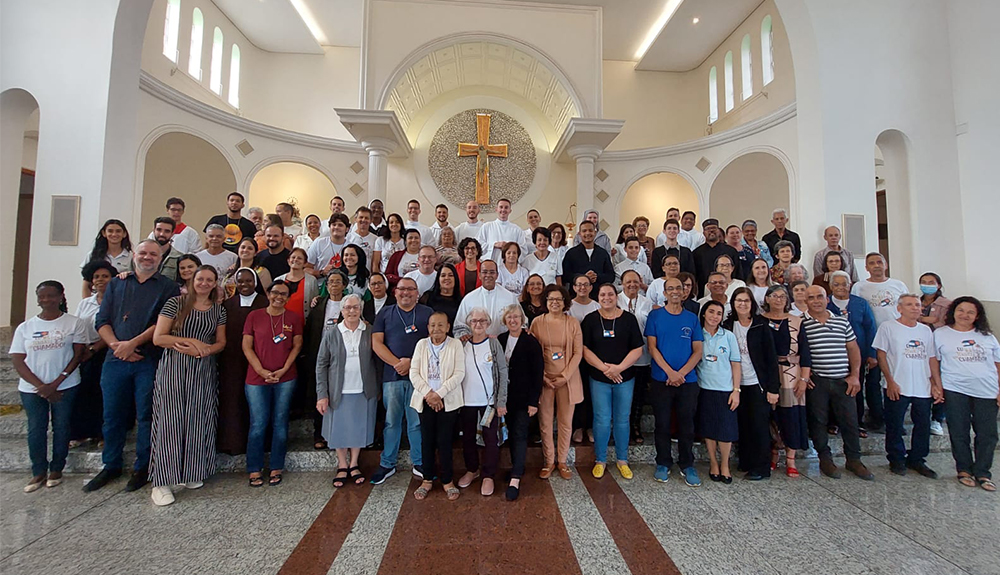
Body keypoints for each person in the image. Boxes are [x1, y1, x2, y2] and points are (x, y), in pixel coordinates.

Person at [84, 241, 181, 493]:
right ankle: (111, 465)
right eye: (143, 253)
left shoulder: (168, 287)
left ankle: (143, 467)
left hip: (147, 359)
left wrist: (134, 344)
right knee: (112, 415)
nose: (147, 257)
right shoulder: (117, 283)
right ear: (133, 256)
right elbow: (102, 320)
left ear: (160, 258)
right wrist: (117, 346)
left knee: (146, 414)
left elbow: (163, 322)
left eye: (153, 254)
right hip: (115, 359)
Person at [148, 265, 227, 506]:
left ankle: (191, 471)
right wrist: (190, 341)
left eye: (209, 280)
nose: (204, 283)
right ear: (192, 280)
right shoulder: (176, 303)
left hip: (202, 368)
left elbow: (221, 342)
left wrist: (205, 350)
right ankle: (161, 482)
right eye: (200, 279)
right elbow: (159, 337)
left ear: (215, 283)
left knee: (197, 417)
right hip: (175, 367)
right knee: (170, 421)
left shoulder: (218, 310)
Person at [11, 281, 87, 492]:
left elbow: (78, 354)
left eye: (51, 296)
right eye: (42, 296)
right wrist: (41, 386)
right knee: (36, 428)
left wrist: (56, 383)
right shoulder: (26, 327)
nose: (46, 300)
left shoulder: (73, 323)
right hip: (32, 389)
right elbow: (18, 360)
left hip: (66, 385)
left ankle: (56, 468)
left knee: (62, 426)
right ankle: (38, 471)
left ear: (61, 296)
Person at [801, 285, 874, 480]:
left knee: (849, 421)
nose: (816, 300)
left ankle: (854, 460)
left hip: (843, 380)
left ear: (827, 299)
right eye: (811, 297)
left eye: (820, 296)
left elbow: (853, 349)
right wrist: (804, 376)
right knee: (818, 421)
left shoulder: (842, 322)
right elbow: (798, 352)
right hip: (817, 382)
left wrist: (855, 375)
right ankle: (825, 459)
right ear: (805, 301)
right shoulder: (801, 324)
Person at [933, 297, 1000, 491]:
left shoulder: (986, 336)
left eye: (970, 312)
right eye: (961, 310)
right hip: (955, 389)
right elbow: (934, 362)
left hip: (986, 390)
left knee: (987, 434)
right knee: (959, 431)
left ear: (977, 316)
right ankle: (963, 469)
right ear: (953, 311)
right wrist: (937, 385)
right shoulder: (941, 334)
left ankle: (983, 472)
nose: (965, 315)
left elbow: (997, 364)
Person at [242, 280, 304, 487]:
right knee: (258, 424)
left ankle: (277, 466)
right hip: (256, 379)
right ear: (268, 294)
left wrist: (283, 369)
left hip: (285, 378)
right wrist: (261, 370)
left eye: (284, 294)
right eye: (275, 292)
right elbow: (247, 346)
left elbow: (297, 346)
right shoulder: (254, 316)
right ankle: (254, 467)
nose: (279, 297)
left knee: (280, 423)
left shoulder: (293, 318)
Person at [371, 277, 432, 484]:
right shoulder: (385, 313)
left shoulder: (426, 313)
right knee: (391, 422)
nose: (406, 293)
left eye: (411, 289)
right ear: (395, 292)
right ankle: (387, 464)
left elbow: (435, 344)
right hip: (392, 377)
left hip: (420, 378)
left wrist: (412, 363)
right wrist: (398, 363)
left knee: (416, 422)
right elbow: (377, 343)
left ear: (417, 293)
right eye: (402, 289)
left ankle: (420, 462)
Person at [874, 293, 941, 478]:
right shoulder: (888, 327)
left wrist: (936, 383)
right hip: (897, 383)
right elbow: (881, 355)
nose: (914, 308)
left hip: (922, 385)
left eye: (917, 305)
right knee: (895, 424)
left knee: (923, 424)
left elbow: (932, 358)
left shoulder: (925, 330)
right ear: (899, 308)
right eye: (910, 305)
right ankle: (896, 458)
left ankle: (917, 458)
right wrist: (890, 381)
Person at [582, 283, 644, 480]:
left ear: (616, 296)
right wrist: (605, 368)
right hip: (599, 378)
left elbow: (637, 349)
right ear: (597, 297)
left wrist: (618, 368)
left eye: (610, 294)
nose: (606, 297)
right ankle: (600, 460)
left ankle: (622, 460)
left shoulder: (628, 319)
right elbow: (584, 349)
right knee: (601, 419)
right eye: (602, 294)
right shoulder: (591, 319)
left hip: (624, 378)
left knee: (622, 419)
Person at [316, 294, 378, 488]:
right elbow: (321, 364)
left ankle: (354, 463)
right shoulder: (332, 332)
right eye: (348, 307)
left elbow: (376, 361)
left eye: (356, 307)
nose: (352, 311)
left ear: (361, 310)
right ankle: (342, 464)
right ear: (341, 311)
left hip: (363, 389)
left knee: (359, 428)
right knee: (339, 429)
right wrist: (322, 394)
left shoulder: (369, 331)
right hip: (337, 391)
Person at [645, 277, 703, 486]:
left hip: (687, 381)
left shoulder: (692, 318)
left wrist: (681, 374)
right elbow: (652, 348)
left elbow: (698, 351)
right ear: (665, 292)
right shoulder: (655, 316)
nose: (676, 292)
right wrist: (670, 373)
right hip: (662, 379)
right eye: (671, 289)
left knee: (687, 425)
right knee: (662, 423)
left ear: (684, 291)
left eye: (679, 288)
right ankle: (663, 462)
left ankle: (687, 464)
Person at [724, 288, 780, 480]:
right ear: (733, 303)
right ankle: (746, 461)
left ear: (752, 303)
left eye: (746, 301)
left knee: (759, 426)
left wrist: (773, 388)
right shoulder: (728, 325)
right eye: (739, 300)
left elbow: (771, 360)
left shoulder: (761, 326)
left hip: (757, 383)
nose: (742, 304)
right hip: (736, 384)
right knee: (743, 424)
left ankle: (762, 467)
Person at [408, 311, 464, 501]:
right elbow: (414, 373)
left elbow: (459, 373)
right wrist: (429, 394)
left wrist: (439, 394)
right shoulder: (421, 345)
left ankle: (448, 480)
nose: (436, 329)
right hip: (425, 401)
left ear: (448, 327)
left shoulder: (455, 344)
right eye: (432, 325)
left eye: (440, 325)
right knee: (427, 441)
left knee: (445, 441)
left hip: (447, 401)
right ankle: (427, 480)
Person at [530, 285, 583, 480]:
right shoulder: (537, 322)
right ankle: (548, 461)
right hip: (544, 380)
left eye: (558, 299)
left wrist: (564, 376)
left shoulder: (572, 323)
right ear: (545, 301)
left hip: (567, 380)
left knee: (565, 422)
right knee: (544, 422)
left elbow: (578, 352)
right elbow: (533, 353)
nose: (554, 302)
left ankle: (562, 461)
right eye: (551, 299)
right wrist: (543, 376)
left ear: (565, 302)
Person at [455, 308, 509, 497]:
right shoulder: (461, 345)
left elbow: (503, 372)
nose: (478, 324)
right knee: (468, 438)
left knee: (491, 439)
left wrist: (501, 401)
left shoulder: (494, 344)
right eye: (474, 321)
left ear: (488, 323)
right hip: (466, 401)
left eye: (482, 321)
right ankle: (472, 469)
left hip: (489, 403)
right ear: (469, 323)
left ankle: (488, 475)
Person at [760, 285, 810, 477]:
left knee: (791, 416)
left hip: (791, 373)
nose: (779, 299)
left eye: (782, 296)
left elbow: (805, 353)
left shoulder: (796, 321)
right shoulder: (760, 321)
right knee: (771, 417)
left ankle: (790, 458)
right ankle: (773, 454)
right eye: (774, 296)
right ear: (767, 299)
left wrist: (804, 378)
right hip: (767, 373)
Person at [497, 304, 544, 501]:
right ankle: (518, 467)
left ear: (522, 319)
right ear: (505, 320)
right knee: (510, 435)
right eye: (509, 317)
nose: (513, 320)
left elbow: (537, 373)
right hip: (504, 397)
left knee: (520, 434)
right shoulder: (500, 339)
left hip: (524, 399)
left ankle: (515, 478)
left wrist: (534, 401)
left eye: (516, 317)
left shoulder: (531, 342)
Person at [218, 268, 265, 456]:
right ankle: (233, 443)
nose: (244, 285)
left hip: (260, 359)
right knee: (233, 401)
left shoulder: (265, 303)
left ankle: (260, 445)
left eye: (249, 281)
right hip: (232, 361)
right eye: (241, 282)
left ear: (255, 282)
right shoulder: (227, 305)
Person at [827, 271, 880, 435]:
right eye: (836, 284)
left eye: (844, 284)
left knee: (855, 388)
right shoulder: (826, 303)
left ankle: (857, 422)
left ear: (850, 284)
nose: (841, 287)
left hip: (859, 354)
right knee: (833, 390)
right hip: (833, 356)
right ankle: (833, 422)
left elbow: (870, 328)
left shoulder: (860, 304)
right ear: (830, 286)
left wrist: (872, 353)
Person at [695, 300, 741, 484]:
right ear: (704, 314)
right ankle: (713, 463)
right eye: (711, 312)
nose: (715, 316)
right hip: (704, 389)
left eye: (719, 313)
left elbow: (736, 364)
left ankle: (725, 464)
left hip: (725, 389)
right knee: (709, 429)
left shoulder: (728, 336)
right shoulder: (698, 335)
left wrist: (736, 390)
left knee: (726, 430)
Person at [69, 261, 114, 448]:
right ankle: (81, 433)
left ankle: (102, 433)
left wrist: (96, 347)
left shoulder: (117, 301)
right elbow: (78, 326)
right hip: (85, 352)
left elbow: (115, 327)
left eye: (105, 276)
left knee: (103, 393)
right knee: (84, 391)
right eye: (97, 277)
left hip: (108, 350)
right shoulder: (85, 303)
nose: (101, 280)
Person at [303, 271, 349, 450]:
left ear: (344, 285)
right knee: (320, 394)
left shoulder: (350, 303)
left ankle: (338, 433)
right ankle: (319, 434)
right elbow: (310, 329)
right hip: (320, 355)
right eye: (331, 282)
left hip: (342, 356)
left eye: (338, 282)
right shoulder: (319, 304)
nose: (334, 285)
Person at [619, 270, 653, 445]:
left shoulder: (648, 303)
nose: (632, 284)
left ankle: (635, 425)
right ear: (622, 283)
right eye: (628, 281)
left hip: (642, 356)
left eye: (635, 281)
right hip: (620, 358)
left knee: (638, 394)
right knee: (621, 394)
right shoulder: (615, 300)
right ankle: (620, 426)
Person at [919, 272, 952, 434]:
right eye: (923, 282)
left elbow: (946, 323)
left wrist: (925, 320)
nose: (927, 285)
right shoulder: (917, 302)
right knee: (924, 380)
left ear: (938, 285)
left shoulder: (946, 304)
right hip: (920, 347)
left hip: (938, 346)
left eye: (931, 282)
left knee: (939, 380)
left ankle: (938, 418)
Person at [454, 260, 518, 339]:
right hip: (476, 344)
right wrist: (464, 335)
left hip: (504, 343)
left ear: (497, 275)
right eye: (485, 272)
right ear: (479, 275)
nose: (488, 275)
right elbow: (460, 325)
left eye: (492, 272)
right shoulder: (469, 299)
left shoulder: (510, 297)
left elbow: (521, 321)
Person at [852, 252, 909, 328]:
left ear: (886, 265)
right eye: (871, 263)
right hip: (871, 331)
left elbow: (907, 308)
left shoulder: (899, 285)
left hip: (896, 329)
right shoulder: (858, 287)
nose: (876, 265)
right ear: (866, 268)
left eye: (879, 262)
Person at [562, 220, 614, 300]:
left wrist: (597, 277)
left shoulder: (602, 253)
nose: (587, 233)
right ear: (579, 234)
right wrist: (583, 277)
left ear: (595, 232)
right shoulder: (571, 253)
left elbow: (611, 276)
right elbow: (565, 275)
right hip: (576, 298)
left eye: (590, 230)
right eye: (584, 231)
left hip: (598, 297)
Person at [81, 219, 133, 298]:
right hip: (97, 299)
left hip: (121, 297)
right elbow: (86, 281)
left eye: (118, 231)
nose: (114, 234)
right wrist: (86, 303)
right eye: (110, 231)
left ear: (124, 234)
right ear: (104, 233)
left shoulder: (131, 256)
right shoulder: (93, 255)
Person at [692, 219, 740, 292]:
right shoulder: (696, 253)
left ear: (719, 231)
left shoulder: (731, 251)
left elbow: (738, 272)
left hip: (728, 290)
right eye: (708, 229)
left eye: (714, 228)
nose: (711, 231)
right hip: (705, 291)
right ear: (704, 233)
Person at [477, 198, 528, 263]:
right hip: (490, 267)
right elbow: (478, 246)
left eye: (506, 207)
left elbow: (523, 250)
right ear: (496, 209)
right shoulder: (486, 226)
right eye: (501, 207)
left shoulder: (517, 229)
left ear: (510, 210)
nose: (503, 210)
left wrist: (509, 247)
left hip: (509, 267)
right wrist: (494, 245)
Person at [275, 248, 318, 322]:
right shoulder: (278, 280)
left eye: (300, 258)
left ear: (305, 263)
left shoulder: (311, 280)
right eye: (293, 257)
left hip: (304, 323)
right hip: (281, 322)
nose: (296, 260)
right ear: (288, 261)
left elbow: (315, 303)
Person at [419, 263, 461, 330]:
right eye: (443, 275)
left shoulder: (461, 301)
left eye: (450, 275)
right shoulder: (427, 297)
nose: (447, 278)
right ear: (438, 279)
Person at [306, 214, 350, 278]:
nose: (336, 227)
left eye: (340, 225)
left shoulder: (351, 247)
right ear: (329, 227)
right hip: (321, 285)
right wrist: (321, 272)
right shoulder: (319, 243)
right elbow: (306, 268)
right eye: (334, 225)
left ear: (347, 229)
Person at [145, 216, 184, 282]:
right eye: (159, 230)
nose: (162, 234)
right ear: (153, 231)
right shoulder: (142, 255)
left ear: (172, 234)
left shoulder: (179, 258)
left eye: (167, 231)